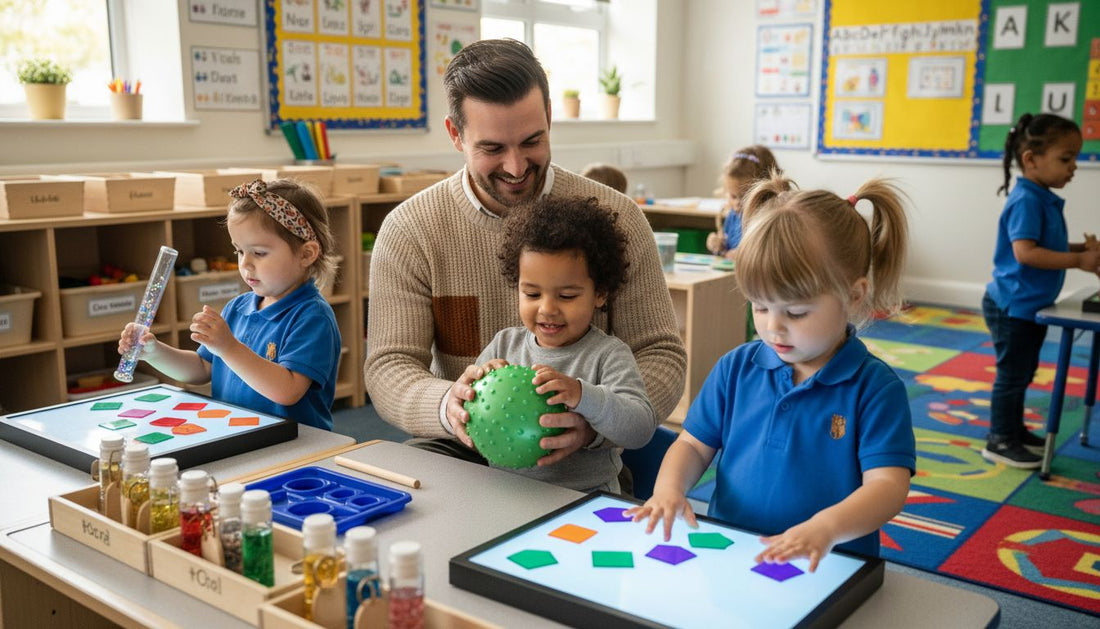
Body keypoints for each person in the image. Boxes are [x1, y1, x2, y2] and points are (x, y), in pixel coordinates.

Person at [363, 38, 685, 465]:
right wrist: (453, 404)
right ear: (455, 135)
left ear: (550, 118)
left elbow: (660, 354)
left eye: (532, 141)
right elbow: (390, 367)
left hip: (575, 457)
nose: (516, 168)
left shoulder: (618, 218)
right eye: (493, 148)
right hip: (462, 446)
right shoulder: (410, 231)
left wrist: (590, 422)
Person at [628, 173, 915, 572]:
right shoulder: (736, 368)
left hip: (828, 563)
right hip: (731, 552)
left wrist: (827, 528)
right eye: (760, 307)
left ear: (854, 295)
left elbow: (888, 487)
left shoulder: (874, 389)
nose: (773, 327)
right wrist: (668, 489)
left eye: (795, 312)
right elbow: (693, 446)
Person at [459, 195, 657, 492]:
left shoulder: (608, 355)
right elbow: (471, 416)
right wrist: (468, 390)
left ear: (600, 293)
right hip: (505, 492)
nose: (547, 309)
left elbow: (639, 428)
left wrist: (582, 395)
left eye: (566, 296)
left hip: (585, 499)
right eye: (532, 294)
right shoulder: (503, 345)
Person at [118, 179, 342, 430]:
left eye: (259, 253)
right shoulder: (237, 308)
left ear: (306, 254)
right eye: (239, 251)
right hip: (237, 433)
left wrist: (228, 347)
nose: (245, 264)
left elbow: (287, 391)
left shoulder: (312, 316)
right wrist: (154, 352)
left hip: (295, 444)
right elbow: (202, 369)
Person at [982, 113, 1097, 468]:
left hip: (1028, 306)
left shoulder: (1041, 196)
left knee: (1023, 371)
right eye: (1066, 158)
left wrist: (1081, 250)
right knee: (1012, 374)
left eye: (1075, 157)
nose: (1074, 167)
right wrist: (1078, 262)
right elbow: (1026, 252)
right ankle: (999, 439)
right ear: (1031, 159)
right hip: (1012, 307)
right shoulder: (1028, 200)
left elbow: (1049, 243)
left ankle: (1012, 429)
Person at [705, 145, 779, 260]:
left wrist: (743, 256)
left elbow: (770, 258)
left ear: (765, 191)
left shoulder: (768, 221)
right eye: (733, 196)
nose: (738, 203)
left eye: (745, 197)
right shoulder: (733, 216)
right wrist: (719, 245)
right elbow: (727, 250)